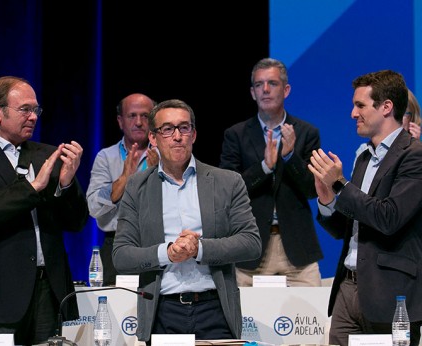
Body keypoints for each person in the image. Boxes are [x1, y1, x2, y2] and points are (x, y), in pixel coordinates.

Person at [0, 76, 89, 345]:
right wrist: (33, 187)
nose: (33, 117)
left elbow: (76, 223)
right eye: (25, 109)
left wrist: (67, 184)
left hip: (48, 292)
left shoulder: (48, 155)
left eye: (36, 110)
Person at [112, 99, 261, 342]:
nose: (177, 136)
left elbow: (251, 243)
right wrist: (168, 253)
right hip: (162, 312)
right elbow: (121, 255)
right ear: (153, 138)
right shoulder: (136, 187)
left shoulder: (228, 181)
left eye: (184, 128)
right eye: (168, 129)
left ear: (194, 135)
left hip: (215, 309)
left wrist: (199, 249)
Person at [308, 70, 422, 346]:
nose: (352, 113)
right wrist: (326, 199)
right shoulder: (364, 158)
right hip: (347, 290)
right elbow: (347, 227)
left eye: (360, 105)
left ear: (386, 107)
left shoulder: (414, 156)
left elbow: (388, 217)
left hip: (390, 293)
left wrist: (340, 184)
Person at [219, 57, 323, 287]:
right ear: (252, 92)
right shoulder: (236, 135)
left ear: (286, 90)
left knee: (310, 319)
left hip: (297, 249)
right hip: (251, 250)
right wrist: (264, 167)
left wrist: (289, 157)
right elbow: (227, 191)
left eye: (272, 84)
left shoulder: (306, 133)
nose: (265, 90)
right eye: (259, 84)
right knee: (246, 321)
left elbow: (311, 190)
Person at [86, 93, 158, 286]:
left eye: (145, 116)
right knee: (116, 312)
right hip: (116, 245)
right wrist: (125, 178)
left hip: (157, 246)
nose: (139, 122)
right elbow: (94, 207)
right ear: (120, 121)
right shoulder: (105, 157)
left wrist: (159, 174)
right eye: (132, 115)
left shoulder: (167, 157)